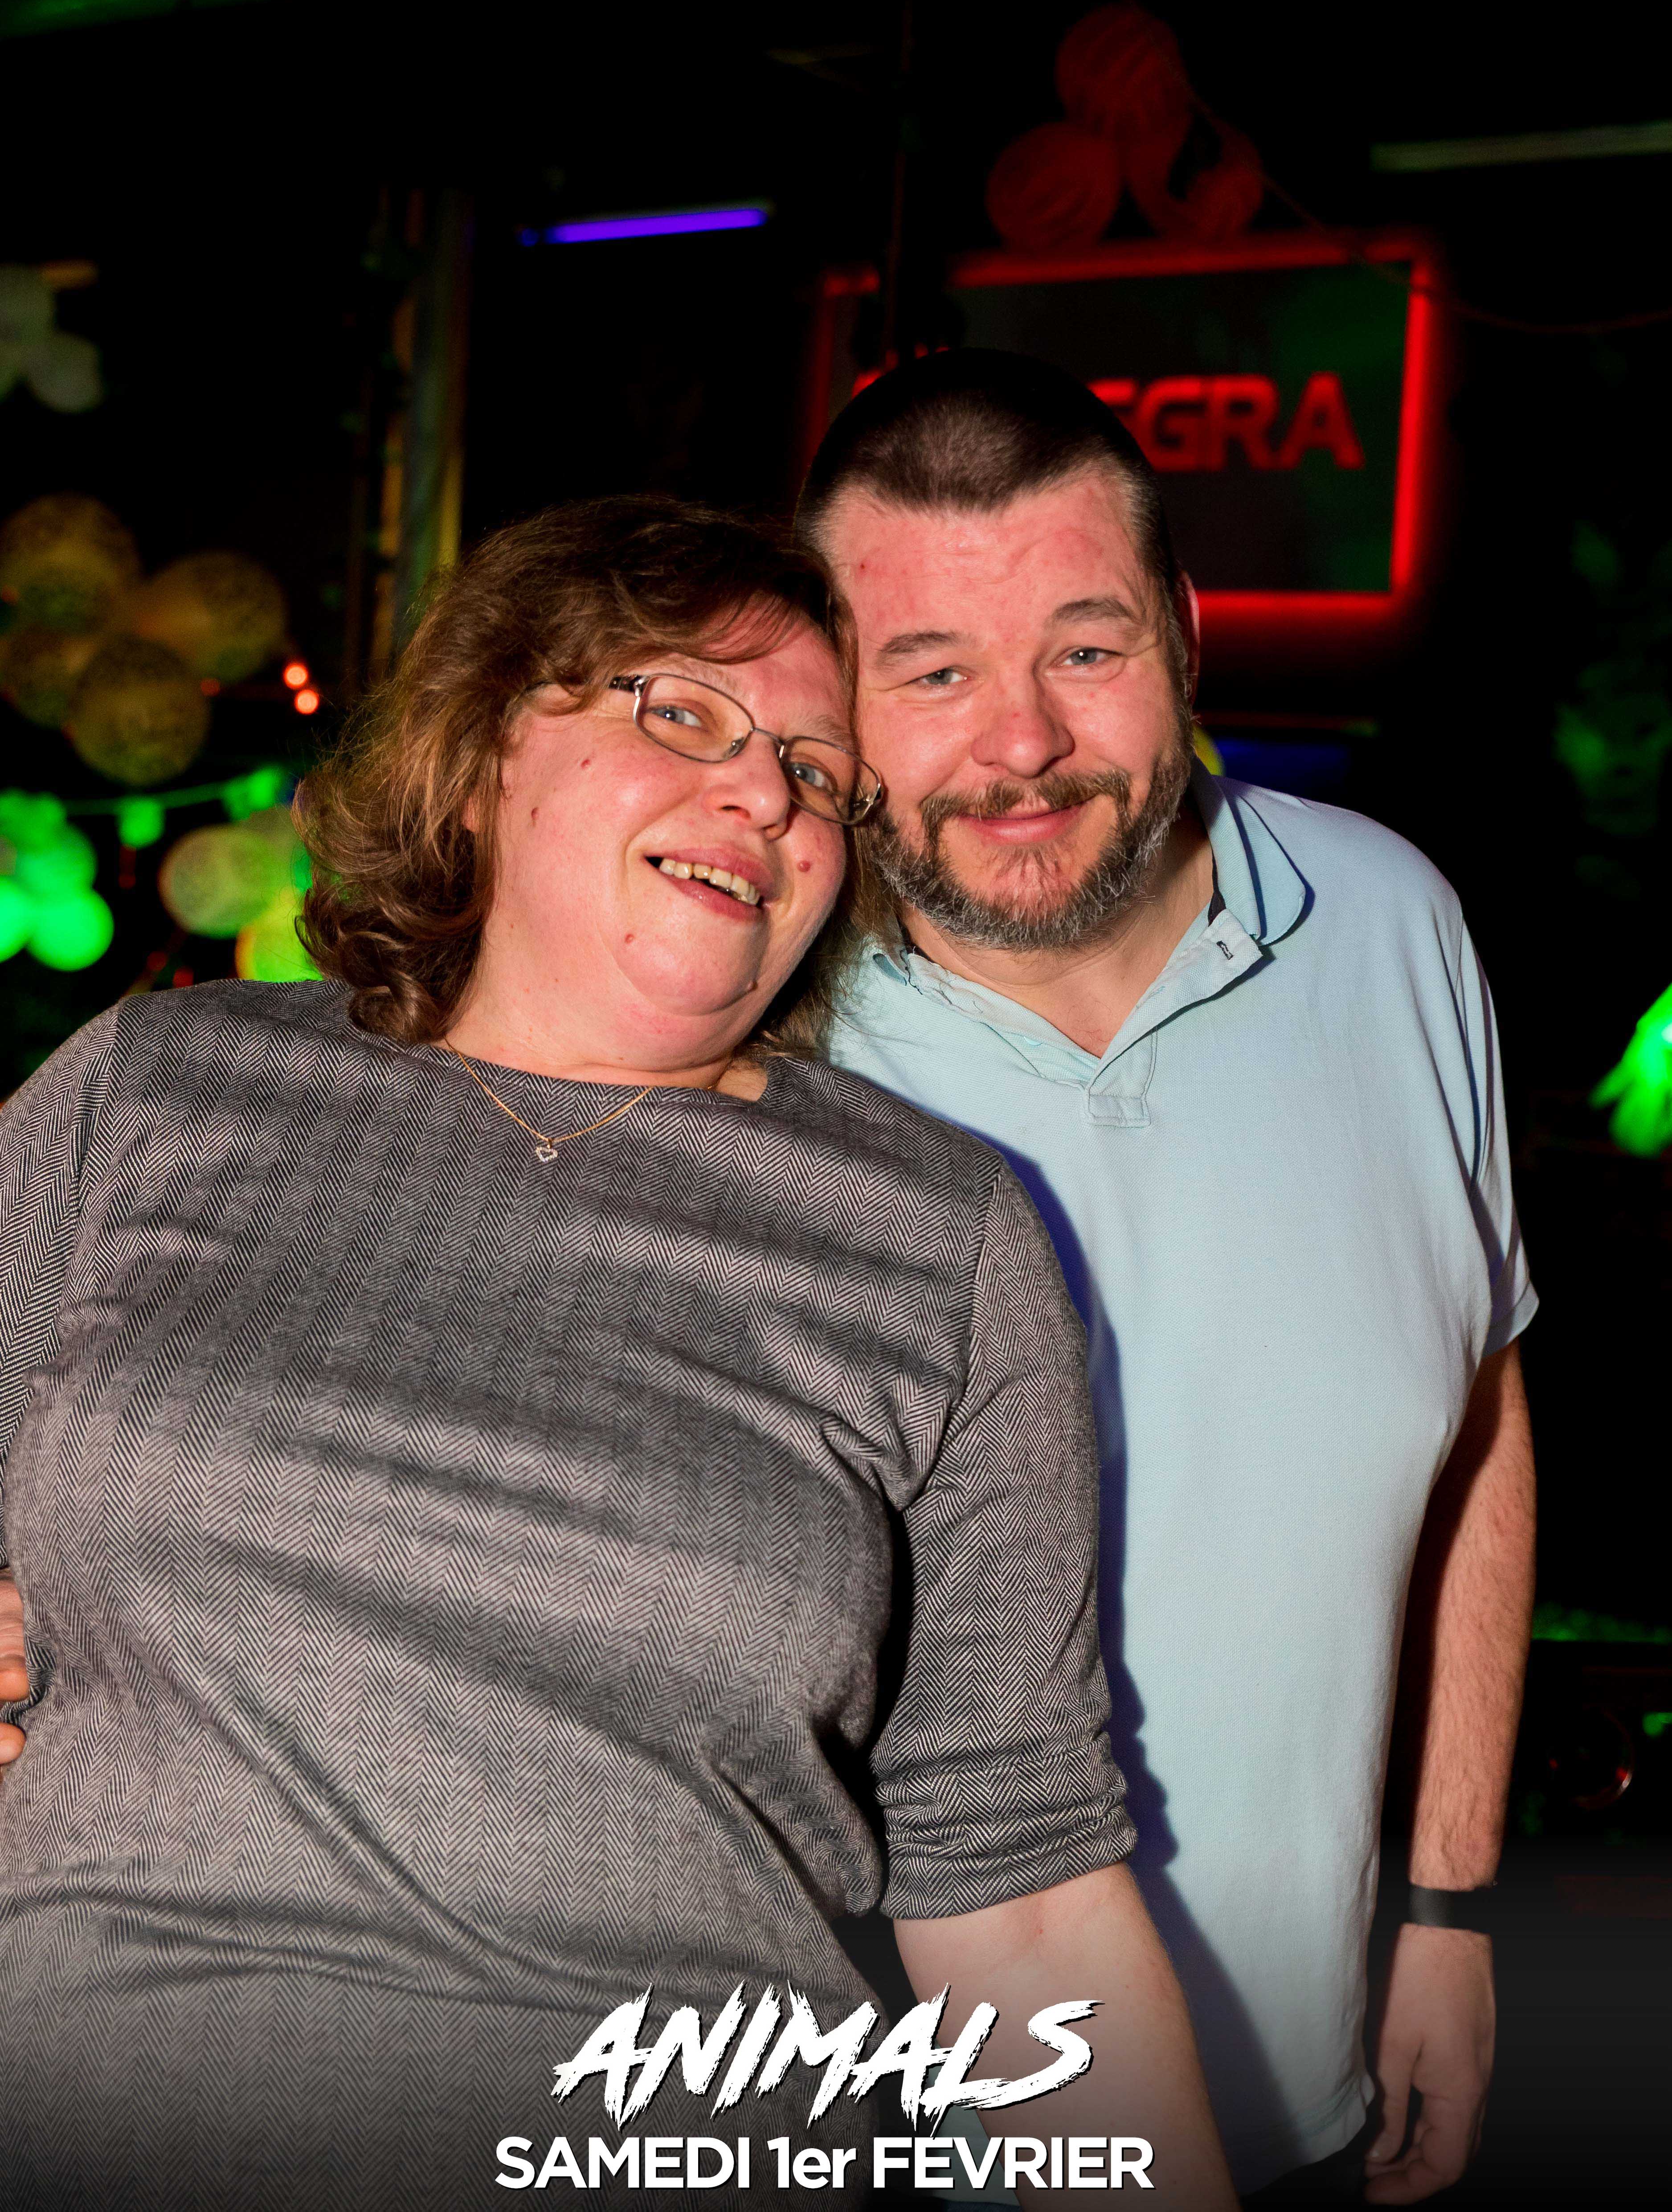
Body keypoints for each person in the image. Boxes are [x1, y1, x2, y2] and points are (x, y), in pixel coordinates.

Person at [0, 497, 1237, 2212]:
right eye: (686, 712)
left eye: (817, 773)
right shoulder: (156, 1086)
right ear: (486, 747)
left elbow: (1019, 1895)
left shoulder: (937, 1237)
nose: (766, 795)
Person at [800, 353, 1538, 2206]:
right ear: (830, 698)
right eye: (932, 673)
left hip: (1307, 2095)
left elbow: (1475, 1421)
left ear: (1186, 636)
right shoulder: (747, 1040)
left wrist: (1447, 1902)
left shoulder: (1391, 926)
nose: (1022, 743)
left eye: (1085, 647)